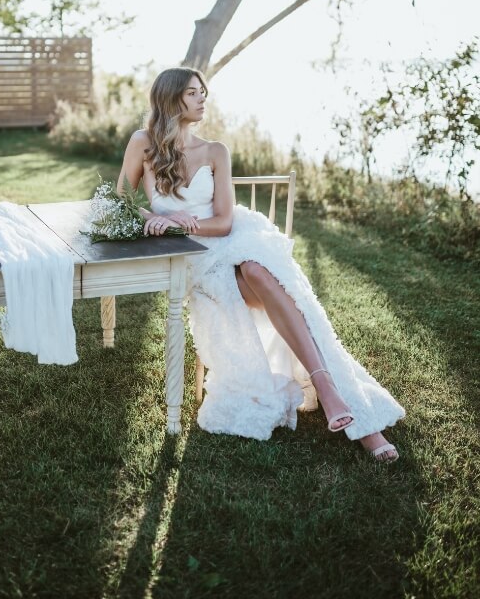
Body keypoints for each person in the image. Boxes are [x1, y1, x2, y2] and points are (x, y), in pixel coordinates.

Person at [118, 67, 404, 462]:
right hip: (195, 257)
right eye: (192, 93)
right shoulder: (142, 143)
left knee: (261, 272)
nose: (203, 99)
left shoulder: (215, 150)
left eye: (204, 92)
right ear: (170, 99)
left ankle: (331, 390)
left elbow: (223, 222)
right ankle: (334, 395)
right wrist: (154, 219)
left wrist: (187, 220)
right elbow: (118, 202)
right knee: (260, 280)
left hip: (228, 239)